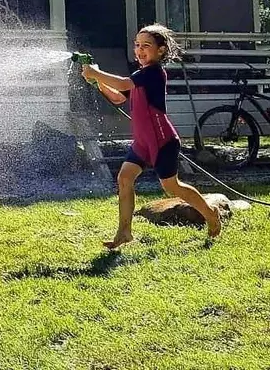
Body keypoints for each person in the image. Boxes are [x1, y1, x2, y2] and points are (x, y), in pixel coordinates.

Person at [81, 24, 221, 249]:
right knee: (124, 179)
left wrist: (96, 73)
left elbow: (124, 84)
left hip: (162, 141)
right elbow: (118, 97)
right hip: (142, 143)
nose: (140, 50)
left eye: (146, 46)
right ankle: (124, 232)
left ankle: (210, 213)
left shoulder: (154, 73)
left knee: (172, 187)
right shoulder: (140, 75)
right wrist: (99, 82)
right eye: (137, 45)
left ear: (161, 50)